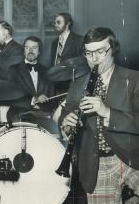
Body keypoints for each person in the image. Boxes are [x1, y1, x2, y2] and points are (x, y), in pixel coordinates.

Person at [59, 27, 139, 203]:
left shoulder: (134, 79)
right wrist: (66, 124)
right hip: (98, 164)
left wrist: (107, 112)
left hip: (133, 156)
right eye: (89, 53)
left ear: (113, 49)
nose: (94, 59)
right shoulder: (78, 85)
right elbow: (64, 117)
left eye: (100, 52)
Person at [6, 36, 56, 133]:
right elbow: (11, 98)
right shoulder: (13, 70)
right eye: (27, 47)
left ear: (39, 51)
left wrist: (44, 105)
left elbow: (52, 99)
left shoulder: (48, 71)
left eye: (34, 47)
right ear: (24, 50)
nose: (30, 50)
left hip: (43, 116)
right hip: (19, 115)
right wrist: (34, 100)